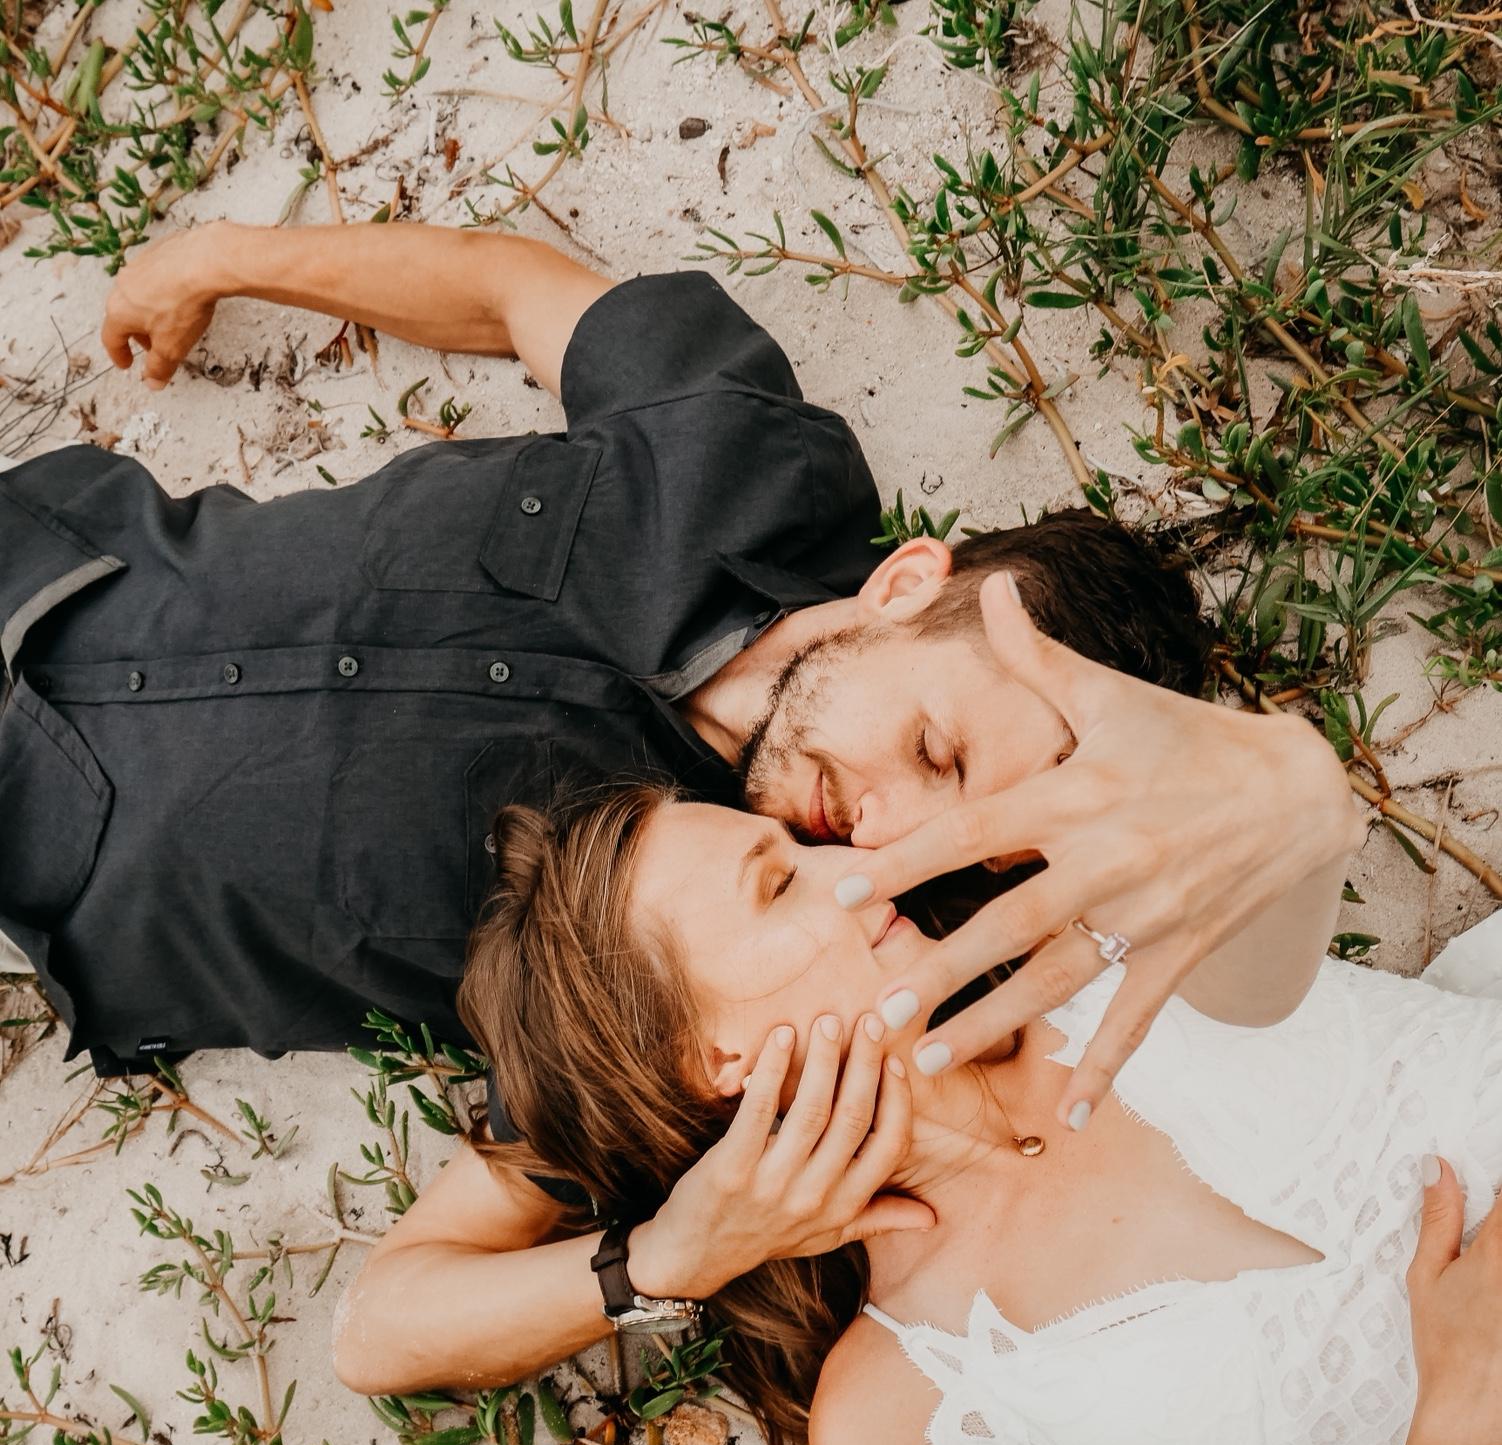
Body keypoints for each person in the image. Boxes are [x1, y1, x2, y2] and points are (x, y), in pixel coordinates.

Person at [1, 220, 1357, 1119]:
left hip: (49, 865)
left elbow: (1240, 1003)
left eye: (961, 831)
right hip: (58, 551)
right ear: (904, 588)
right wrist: (223, 254)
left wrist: (1291, 802)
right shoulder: (747, 461)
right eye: (934, 751)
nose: (882, 834)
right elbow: (513, 291)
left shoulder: (736, 945)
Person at [343, 773, 1502, 1445]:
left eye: (799, 842)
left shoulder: (1085, 920)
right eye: (777, 886)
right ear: (715, 1061)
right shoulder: (896, 1415)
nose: (854, 866)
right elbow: (375, 1332)